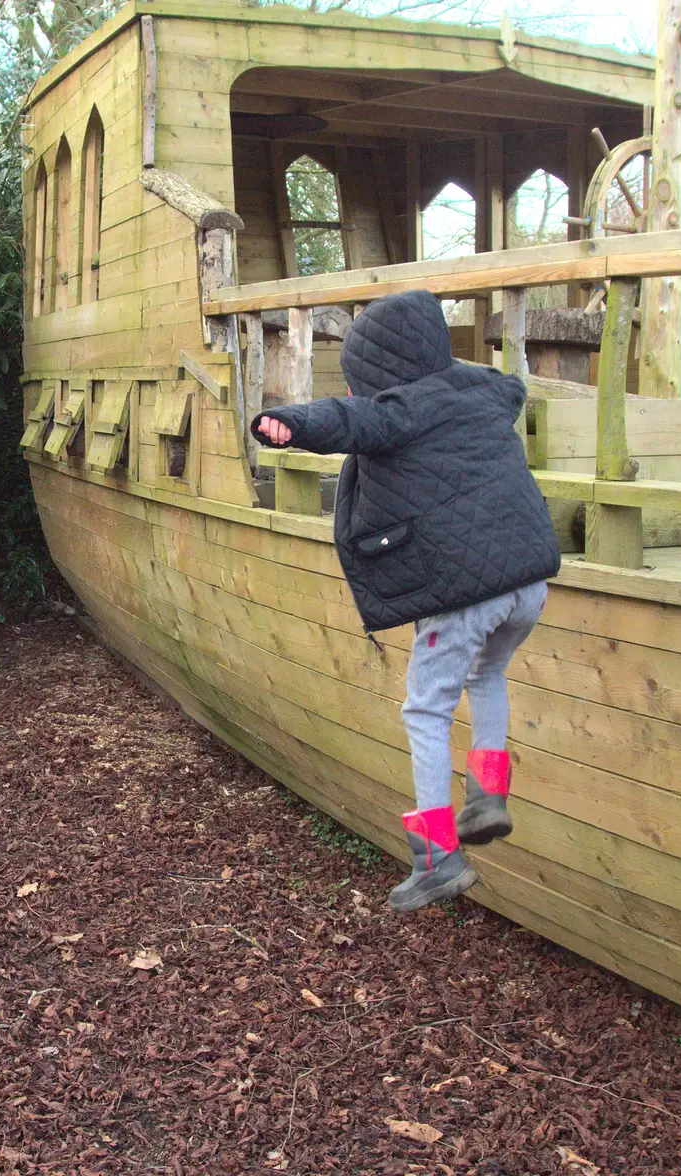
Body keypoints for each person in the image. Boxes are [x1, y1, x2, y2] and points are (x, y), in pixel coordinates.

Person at [251, 289, 560, 912]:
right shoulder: (485, 391)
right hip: (529, 584)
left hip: (470, 593)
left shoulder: (397, 412)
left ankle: (437, 854)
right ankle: (489, 794)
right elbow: (511, 387)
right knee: (489, 673)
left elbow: (348, 420)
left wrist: (290, 424)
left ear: (380, 371)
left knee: (425, 709)